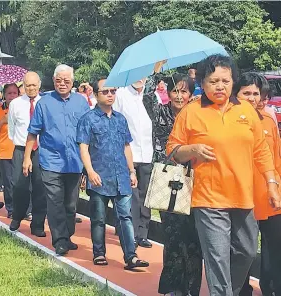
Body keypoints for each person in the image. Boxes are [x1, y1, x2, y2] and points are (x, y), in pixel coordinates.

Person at [167, 54, 281, 296]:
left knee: (247, 252)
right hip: (208, 199)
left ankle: (226, 290)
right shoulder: (191, 112)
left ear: (233, 82)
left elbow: (262, 151)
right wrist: (192, 149)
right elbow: (173, 151)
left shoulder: (247, 112)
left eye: (225, 81)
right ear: (202, 83)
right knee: (217, 259)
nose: (220, 86)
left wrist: (272, 184)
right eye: (213, 81)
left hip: (243, 197)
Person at [77, 77, 149, 270]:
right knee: (99, 218)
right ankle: (99, 253)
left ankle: (131, 257)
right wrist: (90, 171)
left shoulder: (120, 119)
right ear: (95, 94)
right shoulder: (88, 119)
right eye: (105, 92)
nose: (110, 95)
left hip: (121, 177)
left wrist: (132, 171)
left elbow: (127, 146)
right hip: (99, 177)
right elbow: (83, 148)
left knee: (125, 217)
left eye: (113, 91)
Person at [25, 64, 90, 255]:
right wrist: (27, 158)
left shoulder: (81, 102)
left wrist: (89, 163)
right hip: (51, 160)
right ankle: (59, 240)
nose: (63, 84)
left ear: (72, 82)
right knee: (54, 202)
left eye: (67, 81)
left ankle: (67, 235)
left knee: (70, 204)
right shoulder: (44, 103)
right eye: (59, 80)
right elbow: (32, 133)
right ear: (53, 81)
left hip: (75, 162)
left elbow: (87, 132)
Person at [154, 74, 203, 296]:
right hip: (167, 180)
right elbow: (146, 97)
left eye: (185, 91)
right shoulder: (158, 111)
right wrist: (156, 73)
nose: (179, 96)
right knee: (173, 236)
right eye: (175, 90)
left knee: (193, 239)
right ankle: (173, 287)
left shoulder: (197, 115)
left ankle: (191, 288)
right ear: (168, 93)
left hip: (195, 179)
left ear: (192, 95)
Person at [236, 73, 281, 296]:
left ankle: (272, 288)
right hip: (242, 199)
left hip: (270, 198)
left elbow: (276, 159)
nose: (252, 98)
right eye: (246, 93)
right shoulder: (230, 122)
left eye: (256, 94)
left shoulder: (268, 122)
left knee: (275, 249)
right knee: (245, 249)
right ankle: (242, 290)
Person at [113, 76, 155, 249]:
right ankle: (131, 233)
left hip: (147, 153)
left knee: (146, 196)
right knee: (132, 196)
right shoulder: (121, 95)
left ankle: (143, 233)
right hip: (127, 153)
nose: (140, 78)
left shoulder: (151, 97)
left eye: (144, 74)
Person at [8, 72, 47, 235]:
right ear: (23, 86)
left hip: (40, 150)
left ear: (39, 84)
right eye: (28, 85)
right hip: (21, 149)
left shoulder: (46, 103)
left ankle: (37, 224)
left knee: (40, 187)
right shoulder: (16, 104)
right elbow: (12, 128)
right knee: (19, 186)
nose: (31, 88)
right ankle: (17, 216)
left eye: (34, 85)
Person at [0, 84, 19, 218]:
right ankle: (11, 209)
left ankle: (26, 209)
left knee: (23, 182)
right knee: (9, 182)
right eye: (9, 94)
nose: (12, 96)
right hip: (5, 151)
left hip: (22, 150)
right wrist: (2, 121)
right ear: (4, 96)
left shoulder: (24, 109)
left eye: (14, 93)